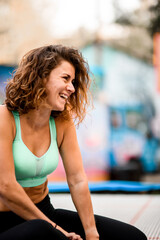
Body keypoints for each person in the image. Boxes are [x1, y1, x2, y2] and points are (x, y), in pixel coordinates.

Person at [0, 45, 147, 240]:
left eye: (73, 81)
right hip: (5, 222)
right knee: (44, 231)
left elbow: (77, 179)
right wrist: (57, 230)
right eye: (65, 78)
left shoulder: (61, 120)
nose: (71, 88)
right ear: (41, 76)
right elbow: (6, 186)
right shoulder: (5, 117)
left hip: (44, 213)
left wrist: (91, 232)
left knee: (132, 237)